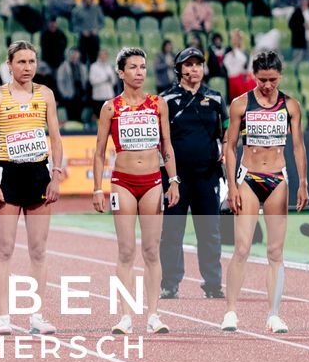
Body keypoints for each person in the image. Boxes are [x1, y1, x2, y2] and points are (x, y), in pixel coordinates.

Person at [0, 42, 65, 333]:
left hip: (39, 174)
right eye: (21, 62)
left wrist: (56, 175)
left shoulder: (46, 94)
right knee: (5, 248)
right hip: (8, 174)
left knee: (38, 250)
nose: (27, 68)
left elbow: (56, 138)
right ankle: (3, 317)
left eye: (31, 62)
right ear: (10, 64)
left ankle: (37, 316)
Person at [92, 48, 179, 336]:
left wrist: (173, 180)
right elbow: (99, 151)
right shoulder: (110, 108)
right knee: (126, 250)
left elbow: (166, 145)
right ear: (121, 72)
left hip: (153, 182)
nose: (139, 72)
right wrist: (97, 188)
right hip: (123, 183)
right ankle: (126, 315)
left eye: (143, 67)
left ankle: (154, 314)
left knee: (152, 250)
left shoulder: (158, 104)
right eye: (133, 67)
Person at [221, 51, 307, 335]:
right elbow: (230, 146)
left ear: (280, 76)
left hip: (278, 179)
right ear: (253, 76)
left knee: (275, 252)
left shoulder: (290, 106)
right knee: (242, 248)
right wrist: (231, 185)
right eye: (262, 80)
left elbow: (297, 147)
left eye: (272, 80)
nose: (267, 85)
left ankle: (273, 314)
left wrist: (303, 182)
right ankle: (231, 311)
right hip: (249, 178)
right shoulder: (241, 104)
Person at [159, 48, 227, 300]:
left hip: (207, 174)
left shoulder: (216, 98)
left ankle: (212, 283)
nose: (194, 69)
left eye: (199, 64)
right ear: (179, 70)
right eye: (188, 65)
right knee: (172, 231)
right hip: (175, 177)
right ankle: (170, 283)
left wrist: (227, 147)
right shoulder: (164, 99)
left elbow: (228, 130)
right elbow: (160, 139)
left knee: (210, 230)